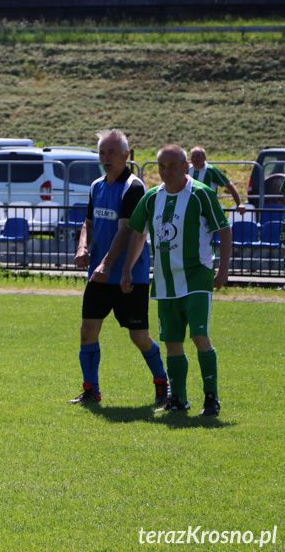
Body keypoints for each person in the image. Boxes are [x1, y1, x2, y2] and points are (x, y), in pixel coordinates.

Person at [122, 145, 232, 417]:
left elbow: (225, 230)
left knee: (198, 335)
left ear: (186, 167)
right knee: (172, 341)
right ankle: (179, 400)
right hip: (164, 281)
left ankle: (211, 398)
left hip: (197, 276)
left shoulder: (200, 194)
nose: (165, 171)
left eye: (172, 166)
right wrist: (127, 270)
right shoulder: (151, 198)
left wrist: (223, 270)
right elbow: (137, 234)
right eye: (161, 166)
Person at [71, 129, 170, 405]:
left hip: (130, 275)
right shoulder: (96, 186)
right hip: (100, 275)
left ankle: (163, 382)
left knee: (139, 336)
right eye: (102, 152)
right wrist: (82, 248)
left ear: (126, 155)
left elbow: (127, 230)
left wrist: (106, 263)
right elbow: (88, 224)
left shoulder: (134, 187)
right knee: (87, 331)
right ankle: (91, 390)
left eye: (112, 152)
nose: (106, 157)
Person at [188, 147, 246, 215]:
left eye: (198, 156)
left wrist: (239, 204)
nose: (195, 159)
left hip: (208, 208)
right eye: (193, 156)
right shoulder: (186, 169)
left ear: (204, 157)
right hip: (190, 207)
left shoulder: (211, 170)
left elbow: (229, 185)